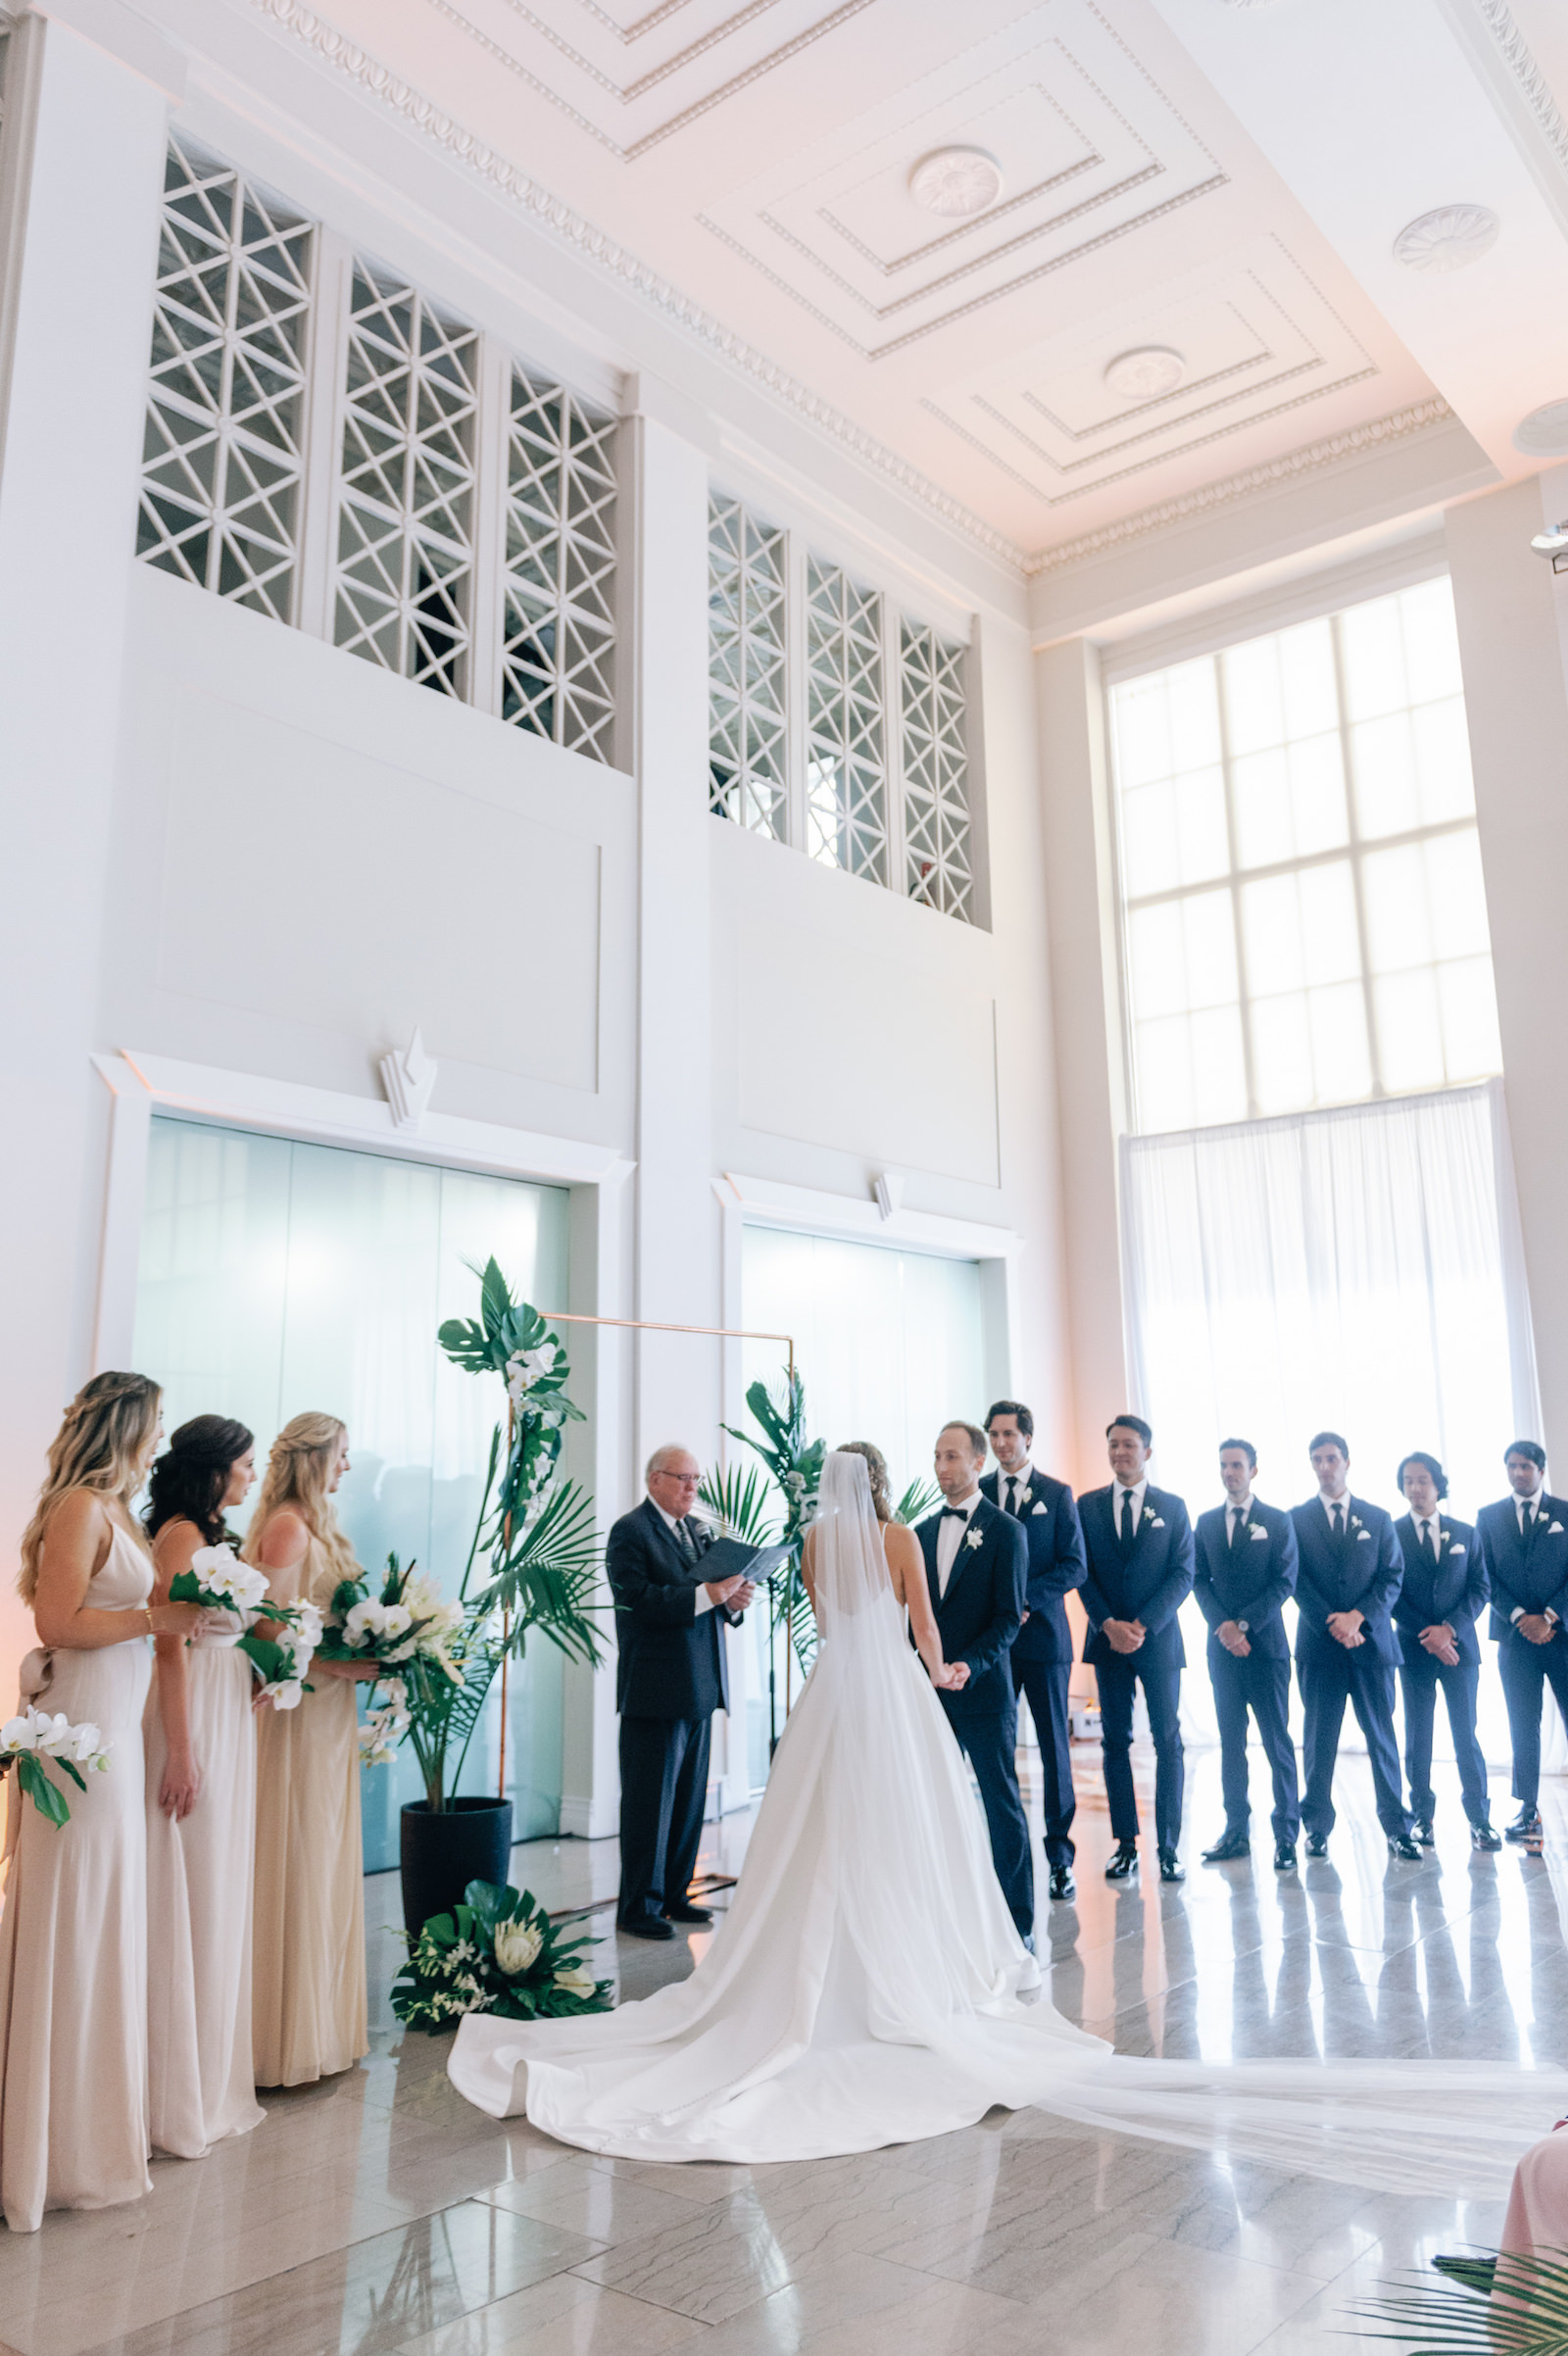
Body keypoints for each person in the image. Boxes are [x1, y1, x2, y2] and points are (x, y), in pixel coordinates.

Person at [447, 1449, 1568, 2197]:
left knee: (810, 1839)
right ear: (885, 1485)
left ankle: (809, 1968)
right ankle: (918, 1969)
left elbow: (817, 1626)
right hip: (894, 1699)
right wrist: (946, 1672)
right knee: (913, 1834)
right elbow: (925, 1636)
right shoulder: (890, 1540)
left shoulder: (814, 1545)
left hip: (830, 1707)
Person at [0, 1372, 207, 2234]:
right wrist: (153, 1623)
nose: (159, 1442)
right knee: (74, 1920)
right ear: (123, 1426)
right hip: (83, 1734)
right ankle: (49, 2151)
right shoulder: (81, 1506)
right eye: (152, 1425)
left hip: (115, 1732)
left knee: (105, 1923)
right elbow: (56, 1624)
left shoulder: (118, 1512)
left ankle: (87, 2132)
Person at [144, 1415, 268, 2155]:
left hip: (228, 1708)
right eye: (245, 1465)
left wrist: (262, 1670)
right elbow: (170, 1646)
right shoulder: (182, 1536)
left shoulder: (214, 1536)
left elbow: (225, 1633)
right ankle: (176, 2090)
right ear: (215, 1468)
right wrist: (182, 1752)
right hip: (194, 1721)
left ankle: (212, 2074)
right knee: (194, 1884)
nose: (252, 1476)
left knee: (221, 1883)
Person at [246, 1414, 376, 2086]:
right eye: (342, 1454)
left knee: (325, 1854)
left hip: (328, 1717)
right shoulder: (290, 1525)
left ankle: (323, 2026)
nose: (347, 1466)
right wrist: (349, 1665)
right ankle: (282, 2036)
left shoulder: (317, 1525)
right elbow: (268, 1632)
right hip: (300, 1717)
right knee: (300, 1852)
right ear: (315, 1457)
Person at [607, 1447, 754, 1942]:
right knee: (650, 1804)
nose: (692, 1488)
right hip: (654, 1688)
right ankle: (637, 1906)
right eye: (683, 1478)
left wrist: (732, 1602)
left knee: (690, 1801)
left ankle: (674, 1894)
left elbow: (711, 1601)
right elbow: (638, 1602)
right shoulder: (631, 1531)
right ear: (654, 1480)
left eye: (696, 1479)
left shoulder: (698, 1532)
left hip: (700, 1685)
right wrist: (708, 1595)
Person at [915, 1422, 1034, 1946]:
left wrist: (971, 1664)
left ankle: (1017, 1923)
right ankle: (943, 1917)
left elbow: (1009, 1618)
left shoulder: (1006, 1531)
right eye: (937, 1456)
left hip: (984, 1693)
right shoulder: (918, 1534)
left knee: (1000, 1803)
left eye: (953, 1456)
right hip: (929, 1696)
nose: (942, 1467)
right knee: (933, 1802)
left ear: (979, 1462)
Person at [1290, 1432, 1419, 1861]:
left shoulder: (1378, 1518)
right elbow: (1296, 1580)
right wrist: (1334, 1623)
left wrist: (1358, 1618)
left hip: (1372, 1646)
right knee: (1319, 1740)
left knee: (1382, 1739)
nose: (1324, 1467)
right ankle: (1317, 1828)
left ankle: (1398, 1829)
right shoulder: (1295, 1519)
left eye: (1331, 1459)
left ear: (1347, 1461)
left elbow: (1391, 1577)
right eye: (1316, 1460)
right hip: (1320, 1646)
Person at [1079, 1414, 1195, 1884]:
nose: (1120, 1452)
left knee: (1167, 1739)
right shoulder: (1085, 1507)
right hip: (1106, 1642)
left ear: (1147, 1451)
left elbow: (1183, 1572)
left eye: (1129, 1445)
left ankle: (1169, 1847)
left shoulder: (1173, 1506)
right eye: (1113, 1445)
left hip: (1158, 1640)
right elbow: (1080, 1570)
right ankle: (1124, 1845)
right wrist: (1107, 1623)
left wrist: (1143, 1624)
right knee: (1115, 1741)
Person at [982, 1399, 1085, 1903]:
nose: (1001, 1443)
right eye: (994, 1435)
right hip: (991, 1648)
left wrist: (1025, 1601)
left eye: (1009, 1434)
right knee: (997, 1748)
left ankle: (1060, 1860)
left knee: (1054, 1752)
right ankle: (1003, 1857)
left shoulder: (1057, 1494)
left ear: (1028, 1437)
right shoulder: (979, 1495)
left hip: (1043, 1641)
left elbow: (1074, 1566)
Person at [1193, 1439, 1301, 1872]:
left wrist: (1243, 1625)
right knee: (1231, 1743)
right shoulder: (1204, 1522)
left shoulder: (1277, 1520)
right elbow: (1199, 1580)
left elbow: (1285, 1581)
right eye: (1224, 1465)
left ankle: (1286, 1835)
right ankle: (1235, 1831)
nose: (1229, 1472)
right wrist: (1223, 1627)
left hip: (1266, 1648)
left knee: (1278, 1743)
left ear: (1253, 1470)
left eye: (1237, 1465)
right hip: (1222, 1651)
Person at [1393, 1450, 1498, 1852]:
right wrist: (1429, 1634)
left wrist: (1450, 1630)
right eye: (1408, 1481)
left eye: (1422, 1480)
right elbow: (1390, 1593)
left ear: (1438, 1484)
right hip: (1415, 1648)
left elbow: (1480, 1588)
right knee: (1419, 1736)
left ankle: (1480, 1818)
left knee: (1465, 1734)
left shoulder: (1465, 1532)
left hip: (1461, 1650)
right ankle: (1423, 1816)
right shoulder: (1391, 1533)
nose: (1415, 1488)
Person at [1477, 1441, 1568, 1846]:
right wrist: (1519, 1618)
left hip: (1561, 1633)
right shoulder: (1489, 1516)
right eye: (1512, 1466)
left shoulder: (1565, 1513)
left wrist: (1549, 1616)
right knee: (1522, 1725)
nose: (1518, 1473)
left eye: (1526, 1466)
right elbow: (1484, 1577)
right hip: (1515, 1638)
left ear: (1541, 1470)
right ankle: (1527, 1808)